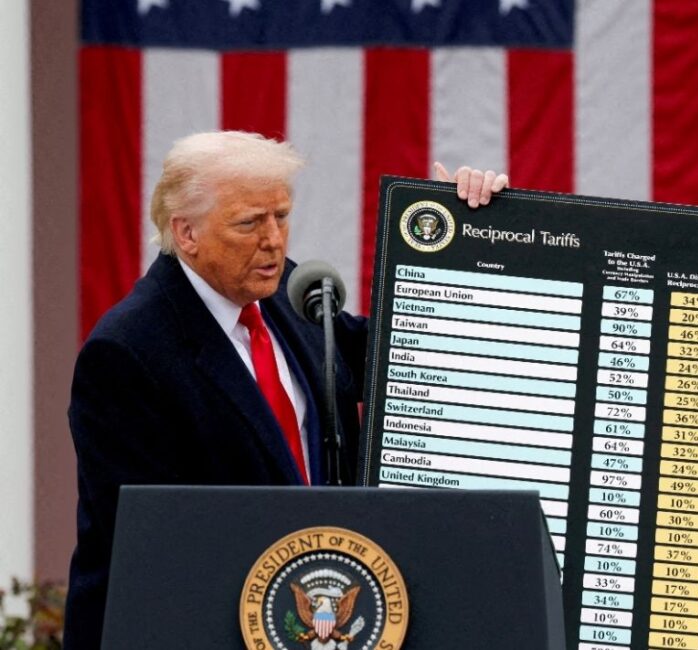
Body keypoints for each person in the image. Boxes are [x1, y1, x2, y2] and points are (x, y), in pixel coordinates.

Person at [65, 131, 508, 648]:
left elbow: (397, 358)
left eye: (281, 215)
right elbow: (153, 540)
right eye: (250, 223)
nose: (274, 240)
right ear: (186, 233)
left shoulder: (288, 295)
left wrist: (461, 237)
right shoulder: (127, 352)